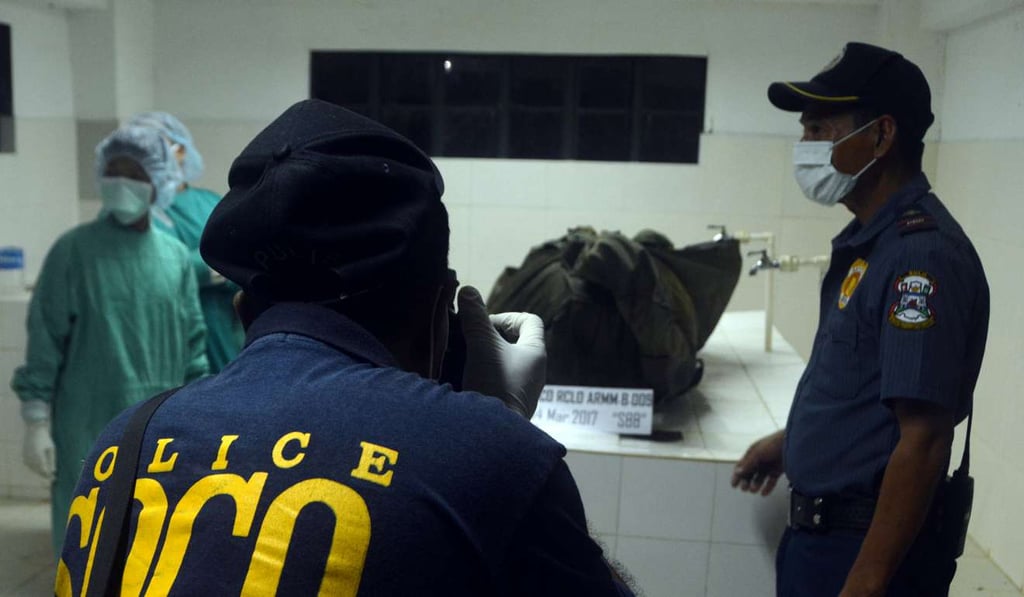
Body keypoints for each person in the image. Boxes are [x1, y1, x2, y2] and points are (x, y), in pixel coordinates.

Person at [55, 99, 635, 596]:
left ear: (241, 310)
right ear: (443, 316)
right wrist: (503, 432)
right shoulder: (495, 462)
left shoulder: (119, 448)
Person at [730, 42, 989, 597]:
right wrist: (791, 441)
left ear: (881, 135)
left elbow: (923, 439)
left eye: (820, 129)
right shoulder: (872, 247)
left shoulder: (921, 258)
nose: (805, 147)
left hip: (862, 554)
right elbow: (868, 389)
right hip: (822, 543)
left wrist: (867, 582)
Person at [11, 126, 209, 556]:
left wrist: (202, 413)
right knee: (86, 540)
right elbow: (45, 341)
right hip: (87, 423)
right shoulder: (74, 251)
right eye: (113, 171)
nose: (122, 182)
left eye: (134, 172)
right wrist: (36, 421)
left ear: (158, 180)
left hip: (161, 425)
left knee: (151, 540)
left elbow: (194, 347)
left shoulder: (174, 256)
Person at [127, 111, 244, 373]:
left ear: (181, 151)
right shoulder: (133, 210)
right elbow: (147, 272)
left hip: (221, 331)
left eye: (161, 146)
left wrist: (203, 267)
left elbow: (244, 260)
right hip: (161, 337)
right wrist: (213, 266)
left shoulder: (210, 203)